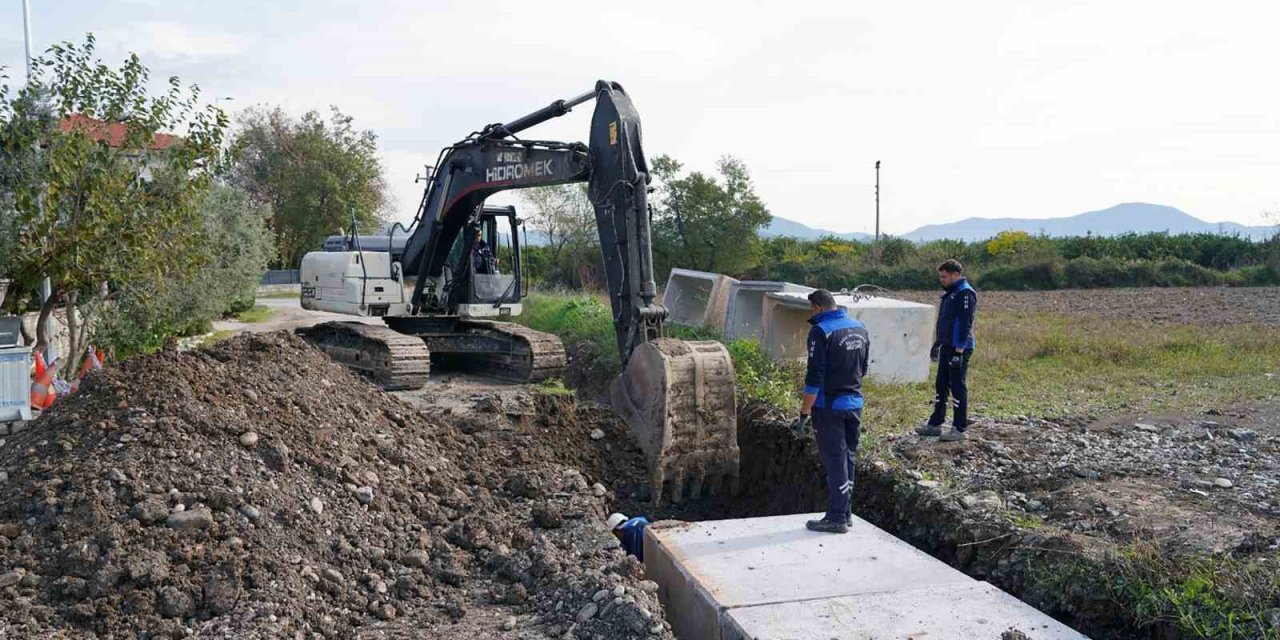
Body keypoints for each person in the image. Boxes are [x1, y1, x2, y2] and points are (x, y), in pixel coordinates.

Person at [792, 289, 870, 534]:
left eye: (811, 309)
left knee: (835, 461)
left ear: (817, 307)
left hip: (829, 407)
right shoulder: (859, 327)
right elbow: (863, 368)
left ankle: (836, 517)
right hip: (854, 404)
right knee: (848, 457)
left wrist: (804, 413)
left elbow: (815, 376)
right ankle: (845, 512)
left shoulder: (821, 331)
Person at [917, 259, 978, 442]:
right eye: (941, 276)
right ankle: (935, 424)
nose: (941, 280)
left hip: (959, 347)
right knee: (941, 384)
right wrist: (938, 344)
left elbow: (965, 323)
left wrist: (959, 351)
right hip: (947, 345)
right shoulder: (951, 293)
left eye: (944, 276)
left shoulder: (965, 293)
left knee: (957, 386)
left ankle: (959, 428)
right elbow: (945, 322)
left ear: (956, 275)